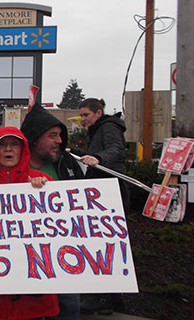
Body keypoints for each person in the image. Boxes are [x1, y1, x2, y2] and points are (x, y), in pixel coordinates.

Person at [0, 126, 59, 320]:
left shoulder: (44, 182)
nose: (8, 149)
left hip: (31, 298)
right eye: (2, 145)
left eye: (14, 145)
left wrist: (44, 192)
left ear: (23, 149)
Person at [20, 103, 85, 320]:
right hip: (23, 260)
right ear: (34, 138)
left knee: (68, 308)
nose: (59, 141)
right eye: (53, 135)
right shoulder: (8, 163)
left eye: (60, 135)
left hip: (65, 257)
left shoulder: (66, 163)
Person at [69, 98, 129, 315]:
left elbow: (117, 150)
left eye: (86, 115)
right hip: (104, 190)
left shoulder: (108, 128)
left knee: (105, 244)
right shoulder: (99, 129)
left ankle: (104, 297)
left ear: (98, 112)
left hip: (110, 191)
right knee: (104, 243)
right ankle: (112, 297)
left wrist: (98, 158)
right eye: (82, 115)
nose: (83, 119)